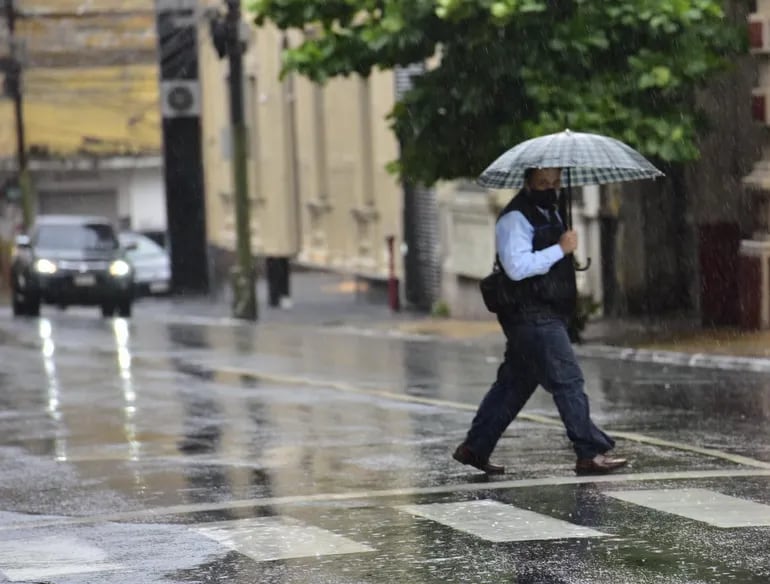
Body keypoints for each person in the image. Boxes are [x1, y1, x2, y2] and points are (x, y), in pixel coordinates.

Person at [453, 167, 628, 476]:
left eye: (556, 182)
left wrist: (564, 250)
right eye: (543, 182)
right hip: (531, 315)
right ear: (529, 182)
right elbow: (517, 267)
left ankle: (475, 447)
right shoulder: (515, 219)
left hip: (545, 313)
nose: (551, 187)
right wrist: (560, 249)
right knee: (568, 381)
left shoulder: (551, 213)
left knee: (514, 385)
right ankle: (588, 452)